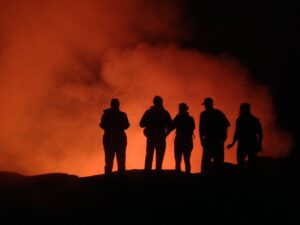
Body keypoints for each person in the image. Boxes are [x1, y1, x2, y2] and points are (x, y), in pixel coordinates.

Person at [227, 103, 263, 174]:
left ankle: (243, 179)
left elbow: (237, 133)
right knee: (251, 164)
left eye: (241, 109)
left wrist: (233, 143)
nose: (240, 110)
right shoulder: (254, 120)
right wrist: (259, 144)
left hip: (243, 144)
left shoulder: (240, 120)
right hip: (252, 143)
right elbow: (260, 133)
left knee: (241, 164)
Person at [140, 96, 173, 172]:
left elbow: (141, 124)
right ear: (161, 102)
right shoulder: (164, 113)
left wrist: (148, 126)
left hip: (151, 137)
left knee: (149, 156)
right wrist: (165, 134)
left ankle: (147, 175)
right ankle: (157, 175)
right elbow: (171, 126)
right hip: (160, 137)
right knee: (159, 158)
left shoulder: (149, 112)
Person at [199, 97, 230, 175]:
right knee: (215, 162)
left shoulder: (205, 114)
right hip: (214, 141)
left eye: (206, 104)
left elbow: (201, 128)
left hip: (212, 141)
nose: (205, 106)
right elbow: (201, 128)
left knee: (210, 162)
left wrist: (202, 140)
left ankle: (209, 179)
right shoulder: (216, 113)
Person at [99, 98, 130, 174]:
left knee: (109, 160)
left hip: (109, 138)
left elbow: (102, 125)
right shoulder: (122, 115)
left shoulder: (106, 114)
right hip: (119, 138)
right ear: (118, 105)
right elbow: (127, 125)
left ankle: (108, 178)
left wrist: (110, 128)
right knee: (120, 159)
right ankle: (121, 178)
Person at [169, 103, 195, 174]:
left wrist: (165, 134)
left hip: (179, 141)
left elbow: (171, 126)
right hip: (188, 141)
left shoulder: (178, 118)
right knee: (187, 160)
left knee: (178, 160)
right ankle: (187, 177)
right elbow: (192, 128)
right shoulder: (190, 119)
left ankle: (178, 177)